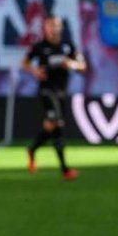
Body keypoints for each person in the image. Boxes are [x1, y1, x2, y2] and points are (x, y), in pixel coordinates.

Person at [22, 16, 86, 180]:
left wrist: (71, 64)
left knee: (52, 126)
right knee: (56, 122)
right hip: (46, 90)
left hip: (61, 92)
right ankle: (65, 169)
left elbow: (82, 66)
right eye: (50, 26)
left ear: (61, 27)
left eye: (57, 25)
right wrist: (35, 71)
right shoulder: (40, 47)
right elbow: (25, 63)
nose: (54, 29)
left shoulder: (68, 46)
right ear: (45, 28)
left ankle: (32, 149)